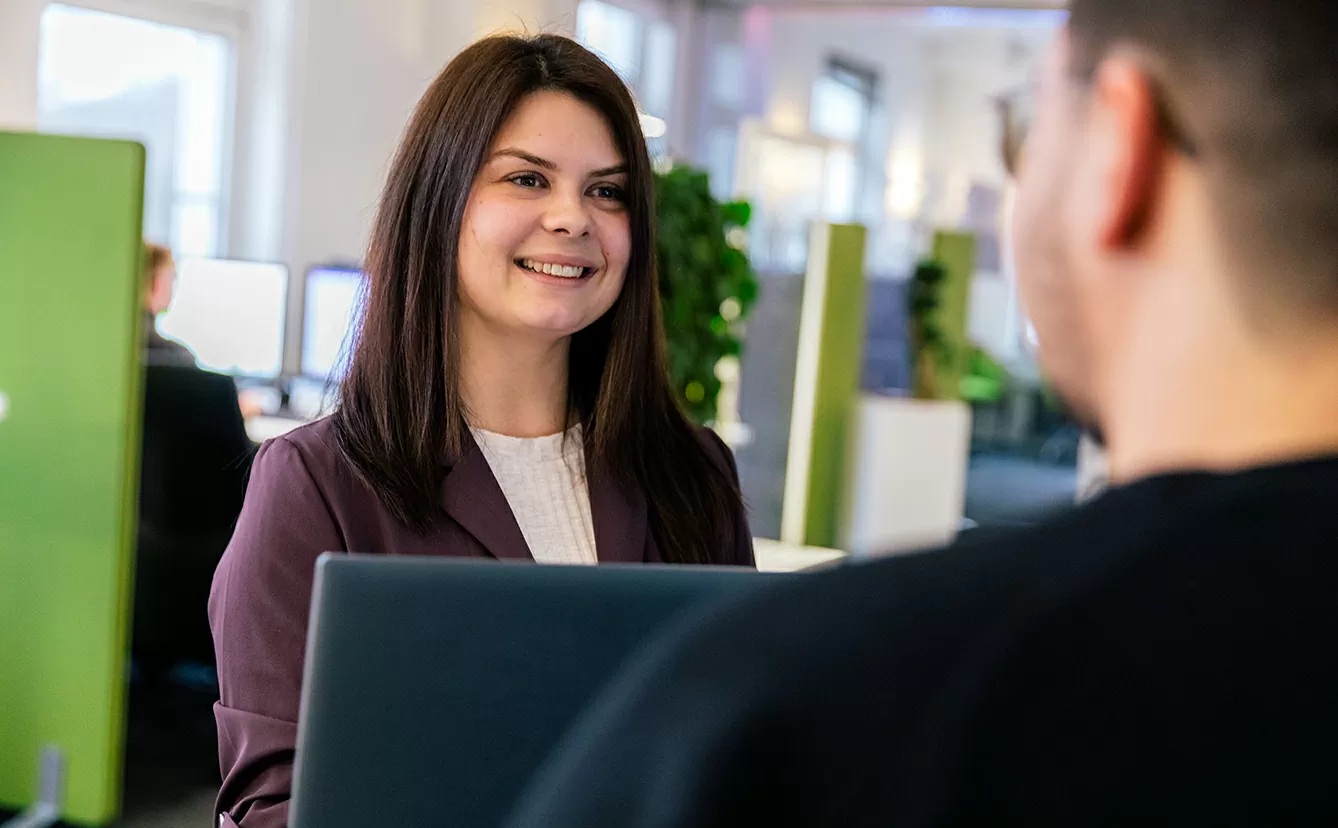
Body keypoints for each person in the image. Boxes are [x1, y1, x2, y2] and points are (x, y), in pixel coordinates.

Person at [507, 2, 1338, 825]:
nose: (572, 217)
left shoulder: (817, 718)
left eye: (1026, 131)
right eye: (527, 177)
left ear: (1118, 153)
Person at [208, 33, 754, 828]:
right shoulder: (318, 484)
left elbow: (736, 756)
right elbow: (274, 807)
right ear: (441, 201)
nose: (573, 218)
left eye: (608, 192)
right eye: (527, 179)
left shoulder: (691, 472)